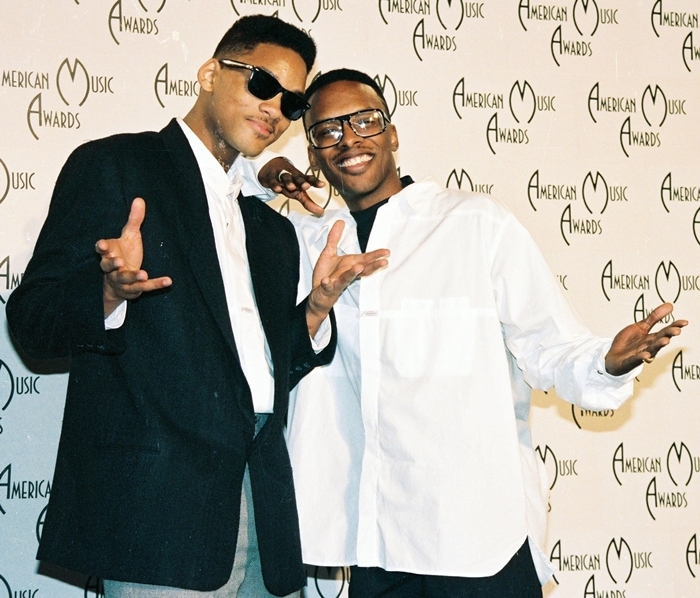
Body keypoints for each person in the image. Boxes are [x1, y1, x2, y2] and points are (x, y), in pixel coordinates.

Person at [261, 69, 688, 597]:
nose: (349, 138)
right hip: (366, 544)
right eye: (327, 130)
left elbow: (548, 345)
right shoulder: (302, 238)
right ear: (313, 152)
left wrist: (608, 360)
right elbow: (225, 195)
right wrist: (269, 171)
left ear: (392, 134)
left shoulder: (474, 223)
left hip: (475, 540)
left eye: (365, 122)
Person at [5, 21, 389, 598]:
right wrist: (108, 292)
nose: (275, 110)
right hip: (157, 510)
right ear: (210, 73)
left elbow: (256, 371)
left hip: (264, 503)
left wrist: (313, 310)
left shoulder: (268, 229)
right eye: (262, 84)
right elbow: (32, 322)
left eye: (290, 102)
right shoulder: (116, 166)